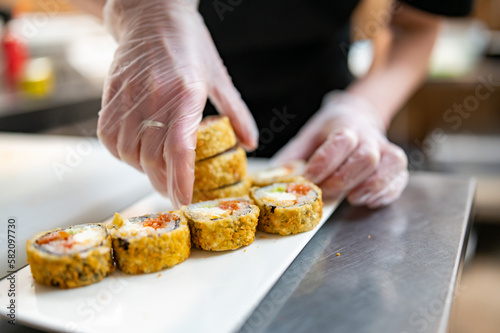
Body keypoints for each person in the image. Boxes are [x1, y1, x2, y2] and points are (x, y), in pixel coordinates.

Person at [72, 0, 472, 208]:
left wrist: (365, 108)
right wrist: (137, 10)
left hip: (320, 110)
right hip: (163, 96)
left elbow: (417, 25)